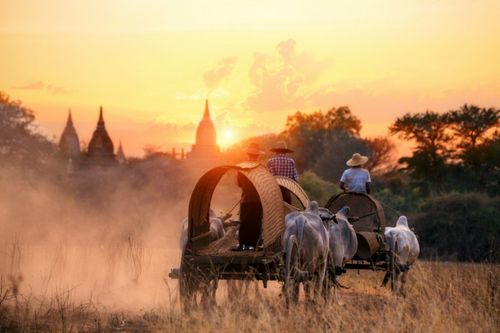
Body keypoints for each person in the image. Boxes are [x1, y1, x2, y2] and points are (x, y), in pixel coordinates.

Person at [236, 142, 264, 250]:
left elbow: (239, 184)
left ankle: (242, 244)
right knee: (256, 222)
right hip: (258, 200)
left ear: (248, 154)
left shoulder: (241, 167)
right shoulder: (261, 168)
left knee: (244, 222)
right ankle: (255, 244)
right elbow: (264, 183)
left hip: (245, 199)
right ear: (258, 155)